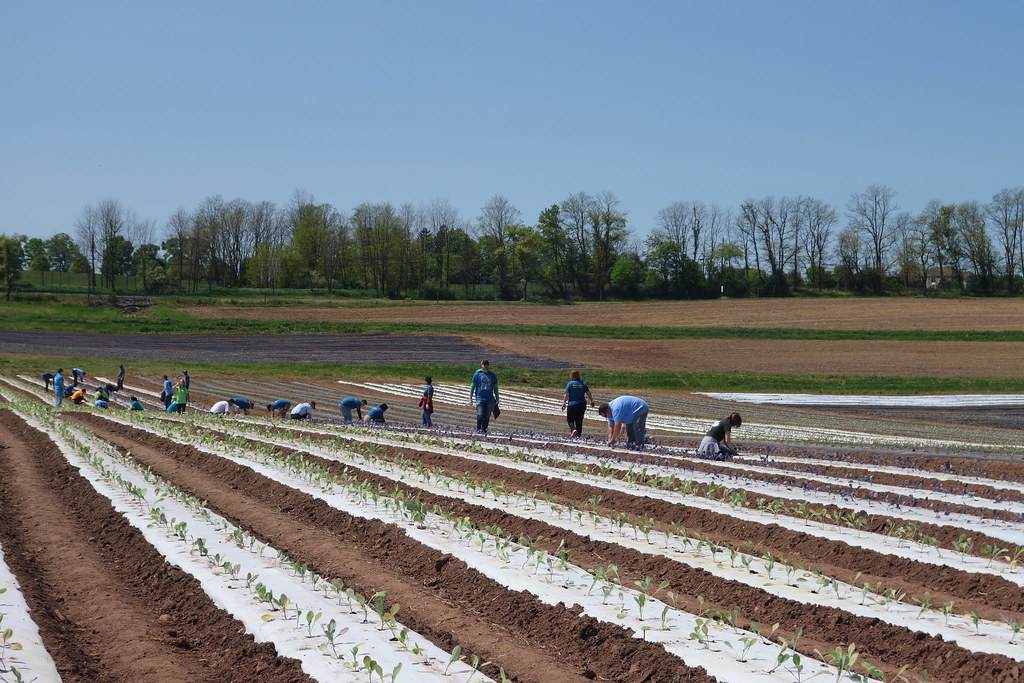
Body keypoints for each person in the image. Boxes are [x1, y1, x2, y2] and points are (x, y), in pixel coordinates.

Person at [469, 359, 499, 433]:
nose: (486, 366)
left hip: (489, 399)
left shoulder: (492, 375)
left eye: (487, 364)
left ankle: (484, 429)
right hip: (480, 398)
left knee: (487, 415)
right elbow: (473, 385)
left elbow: (495, 387)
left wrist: (497, 398)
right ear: (481, 365)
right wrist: (470, 397)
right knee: (480, 414)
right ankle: (478, 428)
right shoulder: (477, 374)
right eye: (484, 364)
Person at [561, 370, 594, 437]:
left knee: (570, 420)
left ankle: (573, 430)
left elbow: (566, 394)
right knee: (579, 420)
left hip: (572, 404)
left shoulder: (570, 384)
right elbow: (588, 393)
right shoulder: (583, 384)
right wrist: (592, 401)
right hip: (582, 404)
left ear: (572, 376)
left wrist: (564, 403)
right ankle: (578, 436)